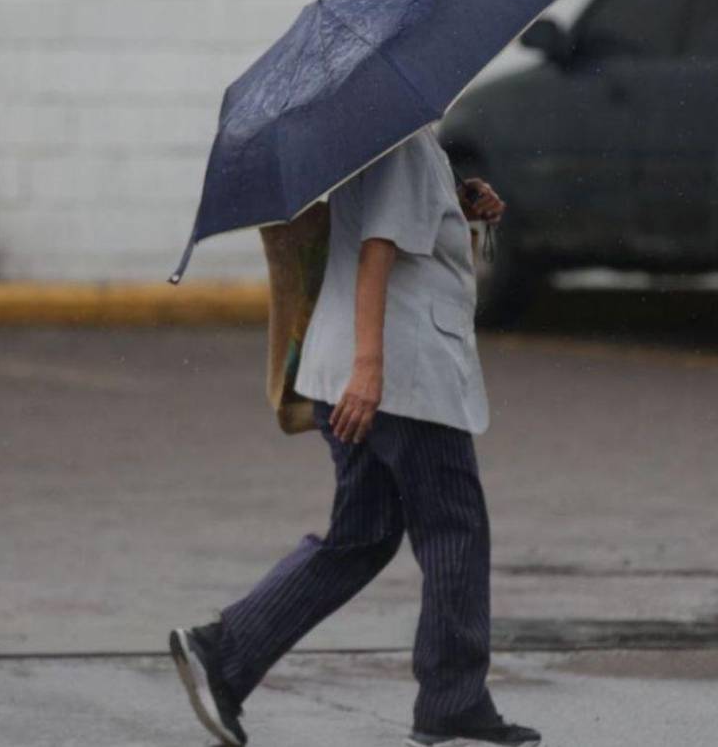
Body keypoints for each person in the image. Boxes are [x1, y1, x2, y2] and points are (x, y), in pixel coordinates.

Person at [168, 126, 540, 747]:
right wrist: (371, 369)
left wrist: (455, 198)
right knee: (455, 528)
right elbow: (378, 246)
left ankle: (225, 654)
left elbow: (394, 216)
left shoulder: (367, 139)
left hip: (344, 369)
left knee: (361, 537)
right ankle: (454, 700)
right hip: (400, 376)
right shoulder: (403, 138)